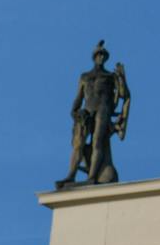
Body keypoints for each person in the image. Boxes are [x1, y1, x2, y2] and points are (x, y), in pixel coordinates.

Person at [56, 40, 130, 188]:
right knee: (78, 144)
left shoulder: (110, 77)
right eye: (99, 54)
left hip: (103, 110)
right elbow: (78, 99)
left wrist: (122, 77)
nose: (101, 57)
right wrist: (75, 114)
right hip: (87, 111)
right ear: (94, 57)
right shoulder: (85, 77)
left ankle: (92, 177)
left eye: (103, 55)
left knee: (97, 142)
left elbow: (123, 94)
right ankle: (71, 176)